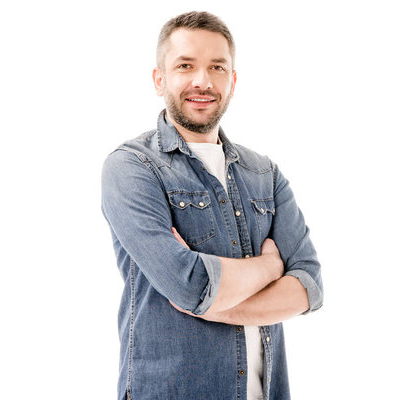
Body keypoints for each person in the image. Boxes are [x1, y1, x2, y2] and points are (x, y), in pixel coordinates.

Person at [101, 11, 323, 400]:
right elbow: (189, 286)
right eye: (185, 65)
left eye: (217, 67)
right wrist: (270, 267)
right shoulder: (131, 167)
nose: (202, 81)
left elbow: (309, 286)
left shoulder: (264, 173)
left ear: (232, 81)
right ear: (159, 79)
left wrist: (216, 305)